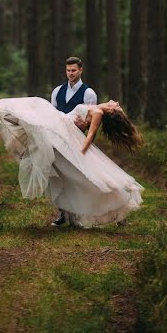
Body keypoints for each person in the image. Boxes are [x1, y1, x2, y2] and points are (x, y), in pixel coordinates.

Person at [0, 96, 144, 229]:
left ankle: (98, 208)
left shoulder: (99, 113)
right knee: (36, 106)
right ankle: (8, 114)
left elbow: (91, 134)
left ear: (112, 110)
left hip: (64, 130)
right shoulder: (98, 107)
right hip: (62, 123)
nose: (116, 102)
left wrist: (82, 152)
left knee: (37, 109)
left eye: (117, 105)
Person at [50, 56, 98, 225]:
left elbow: (92, 120)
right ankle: (63, 213)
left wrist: (82, 127)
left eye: (73, 70)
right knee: (61, 175)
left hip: (77, 140)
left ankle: (78, 213)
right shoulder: (57, 91)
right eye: (68, 70)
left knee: (77, 176)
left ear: (81, 70)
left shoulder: (88, 93)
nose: (70, 73)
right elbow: (52, 116)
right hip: (58, 139)